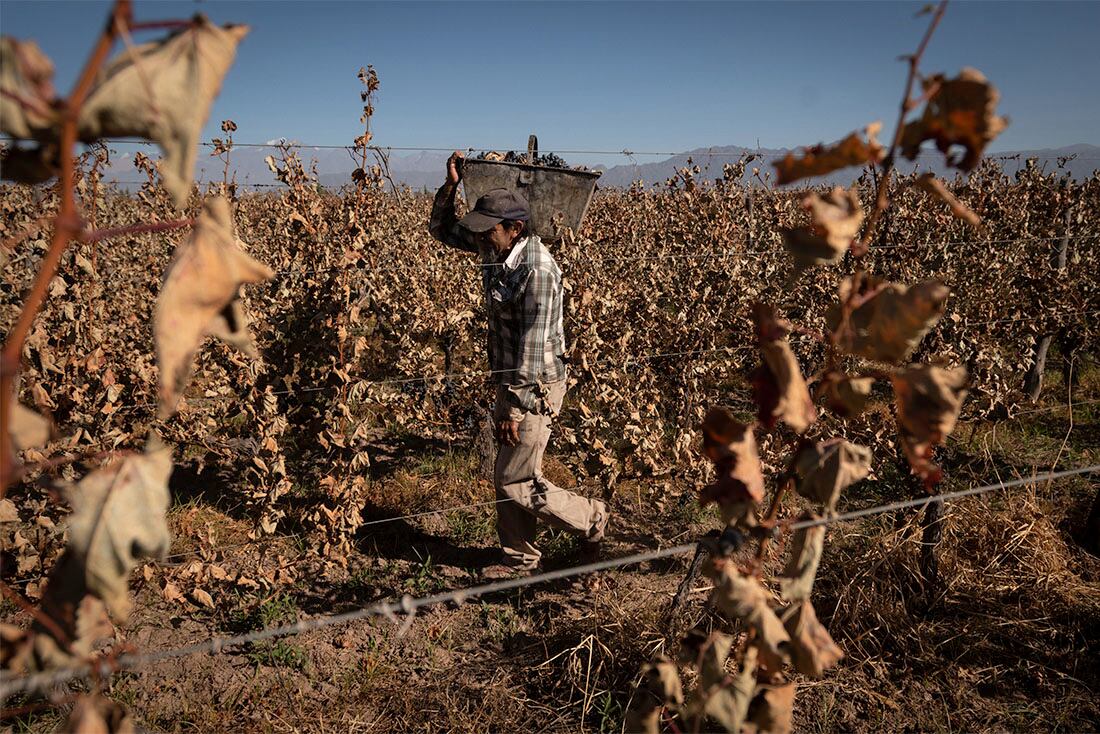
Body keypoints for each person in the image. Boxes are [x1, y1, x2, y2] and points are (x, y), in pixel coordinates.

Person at [429, 151, 608, 578]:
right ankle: (520, 560)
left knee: (515, 479)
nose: (480, 238)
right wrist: (451, 184)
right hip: (511, 378)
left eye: (488, 230)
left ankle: (592, 519)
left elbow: (532, 346)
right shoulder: (497, 247)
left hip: (536, 384)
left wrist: (513, 406)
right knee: (512, 473)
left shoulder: (538, 270)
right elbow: (442, 229)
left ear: (515, 228)